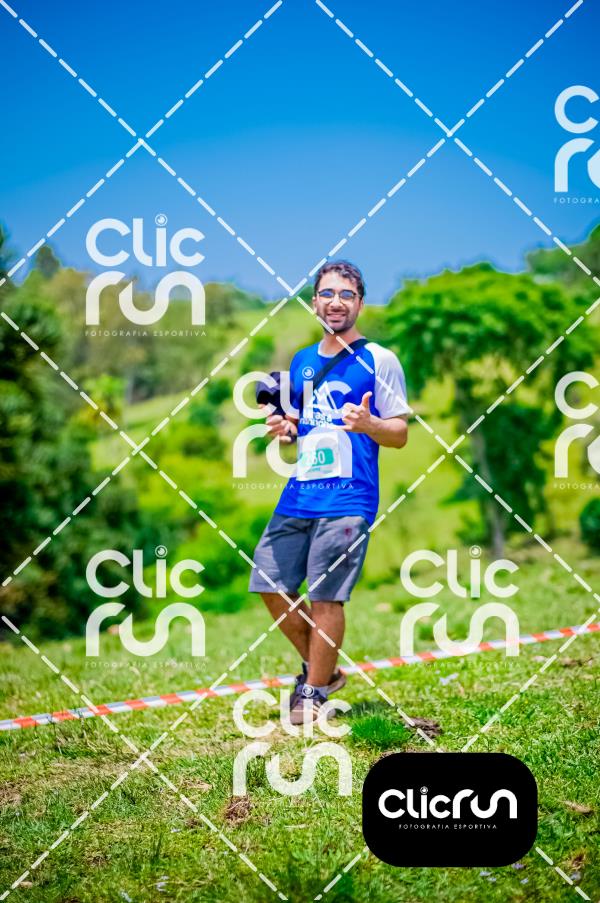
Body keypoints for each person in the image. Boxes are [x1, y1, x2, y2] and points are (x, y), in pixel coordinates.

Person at [249, 260, 408, 723]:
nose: (336, 302)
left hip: (349, 497)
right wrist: (285, 430)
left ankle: (314, 690)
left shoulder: (380, 359)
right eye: (327, 294)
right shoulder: (302, 361)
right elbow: (301, 426)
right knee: (268, 581)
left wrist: (371, 423)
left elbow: (400, 433)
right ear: (314, 302)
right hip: (300, 492)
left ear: (360, 303)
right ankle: (327, 670)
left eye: (346, 294)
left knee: (326, 597)